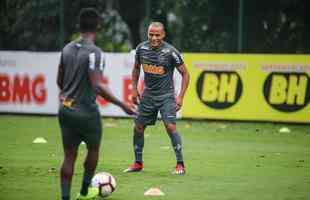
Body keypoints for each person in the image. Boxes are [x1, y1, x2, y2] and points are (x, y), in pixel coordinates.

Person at [57, 8, 136, 200]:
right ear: (98, 27)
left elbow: (60, 80)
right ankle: (84, 192)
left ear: (79, 26)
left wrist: (68, 93)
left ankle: (65, 198)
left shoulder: (66, 49)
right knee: (93, 150)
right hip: (86, 112)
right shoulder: (95, 53)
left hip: (66, 110)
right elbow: (98, 86)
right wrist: (122, 105)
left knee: (69, 156)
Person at [124, 22, 190, 175]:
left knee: (170, 127)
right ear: (148, 34)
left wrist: (180, 97)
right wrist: (134, 89)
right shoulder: (141, 49)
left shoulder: (171, 52)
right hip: (148, 95)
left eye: (157, 35)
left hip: (166, 96)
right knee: (138, 127)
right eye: (151, 34)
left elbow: (186, 74)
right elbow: (136, 68)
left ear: (163, 35)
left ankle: (180, 164)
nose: (154, 38)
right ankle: (138, 163)